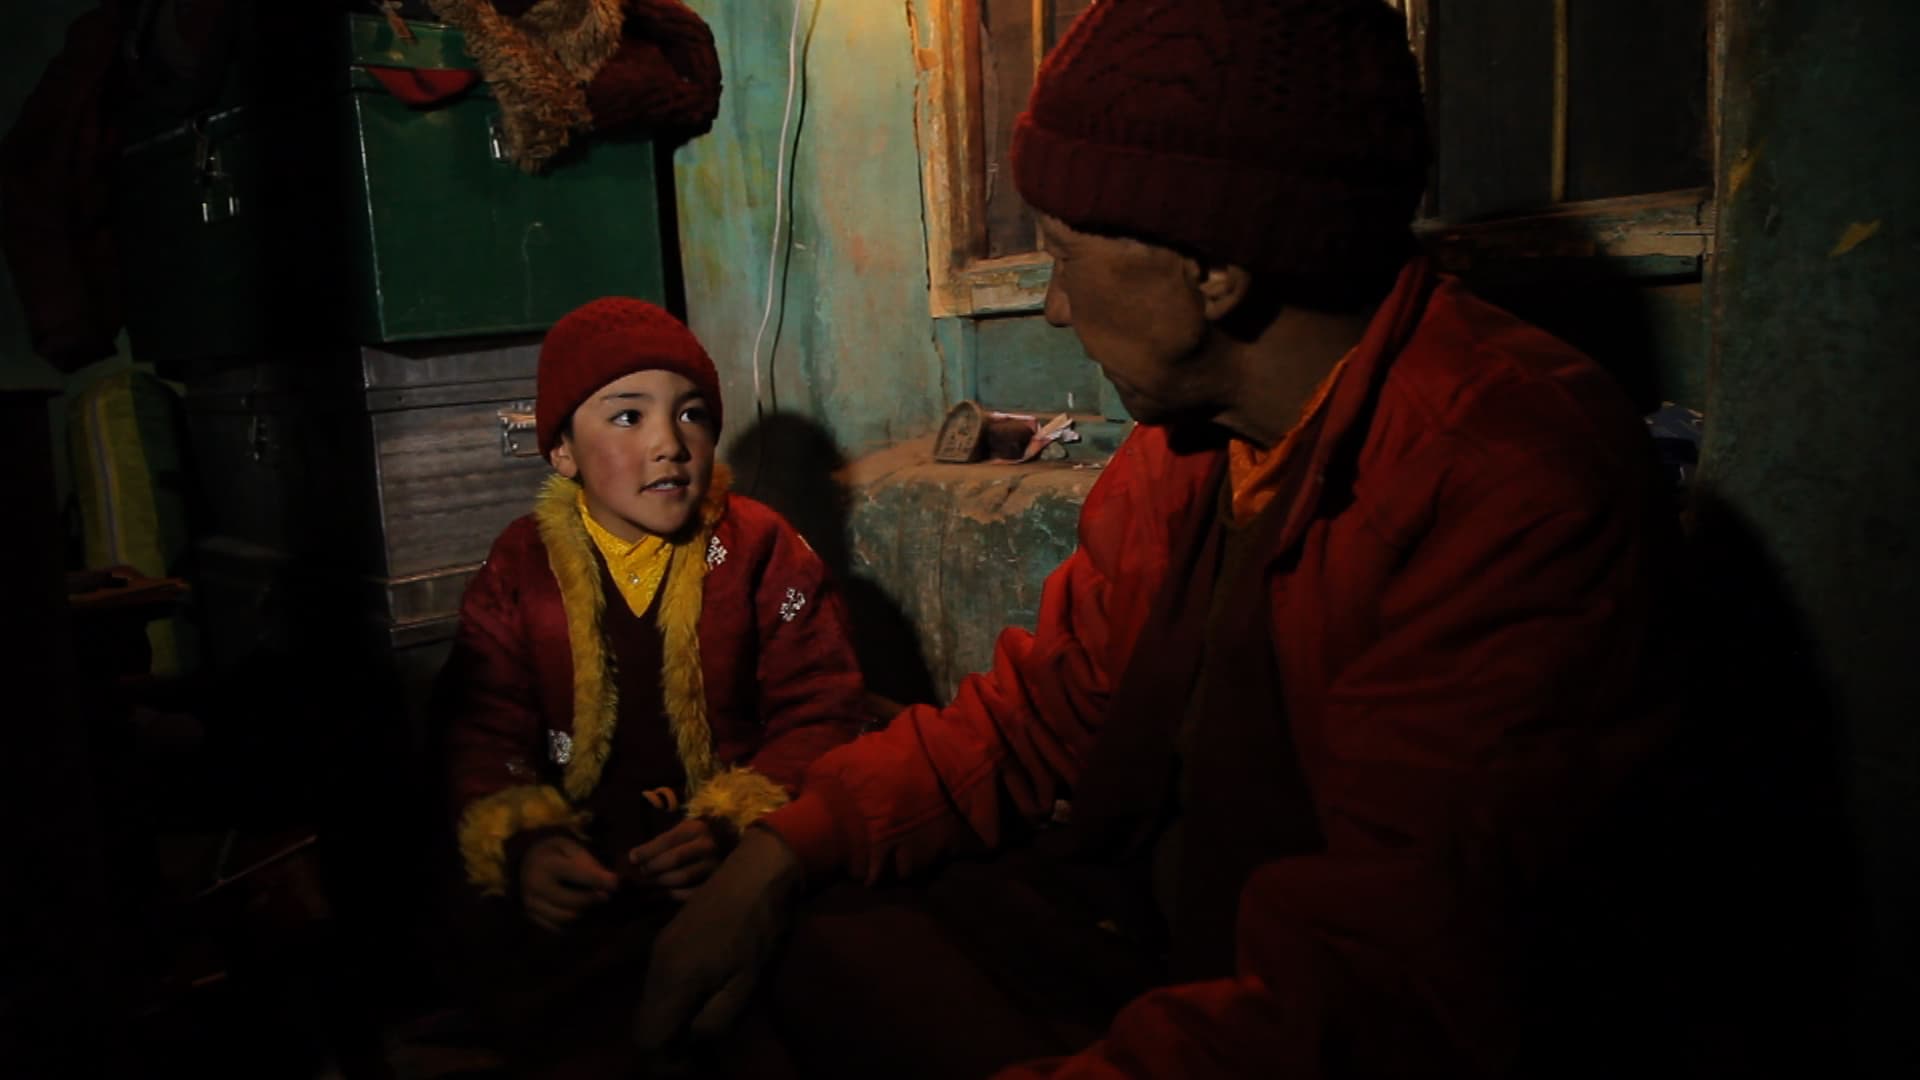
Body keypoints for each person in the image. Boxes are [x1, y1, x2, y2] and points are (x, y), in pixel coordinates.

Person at [639, 1, 1687, 1076]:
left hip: (1296, 1014)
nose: (1051, 306)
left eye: (1063, 255)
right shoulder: (1190, 445)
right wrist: (782, 846)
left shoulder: (1509, 479)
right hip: (1150, 933)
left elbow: (1383, 987)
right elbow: (1043, 714)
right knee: (795, 938)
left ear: (1212, 271)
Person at [434, 297, 865, 1075]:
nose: (671, 443)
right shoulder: (521, 566)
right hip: (584, 877)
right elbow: (482, 724)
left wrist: (739, 828)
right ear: (561, 450)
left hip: (725, 870)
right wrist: (527, 844)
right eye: (628, 417)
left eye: (693, 414)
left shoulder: (765, 550)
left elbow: (822, 707)